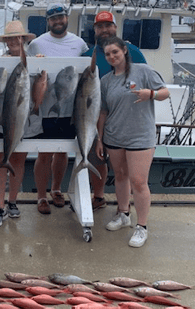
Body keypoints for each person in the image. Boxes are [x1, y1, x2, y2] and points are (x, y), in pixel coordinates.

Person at [96, 37, 169, 247]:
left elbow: (165, 93)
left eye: (115, 52)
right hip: (114, 136)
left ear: (124, 51)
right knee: (120, 175)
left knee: (138, 181)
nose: (111, 57)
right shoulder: (106, 80)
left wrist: (151, 93)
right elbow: (103, 111)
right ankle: (123, 213)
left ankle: (142, 226)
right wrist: (100, 139)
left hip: (140, 136)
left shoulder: (144, 70)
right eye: (108, 54)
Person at [82, 11, 147, 212]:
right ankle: (99, 196)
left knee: (125, 169)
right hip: (95, 118)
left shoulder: (134, 53)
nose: (104, 30)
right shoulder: (86, 56)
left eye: (108, 25)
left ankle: (125, 208)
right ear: (94, 30)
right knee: (98, 160)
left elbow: (145, 83)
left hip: (125, 120)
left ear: (115, 28)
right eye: (100, 27)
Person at [27, 3, 88, 215]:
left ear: (67, 18)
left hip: (71, 109)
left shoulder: (79, 44)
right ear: (48, 21)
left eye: (61, 17)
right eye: (54, 19)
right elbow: (30, 73)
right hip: (45, 109)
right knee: (44, 154)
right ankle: (41, 196)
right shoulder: (36, 44)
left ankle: (56, 189)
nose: (58, 21)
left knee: (63, 153)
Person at [0, 21, 43, 227]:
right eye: (9, 38)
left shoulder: (36, 63)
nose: (13, 41)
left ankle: (12, 202)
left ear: (24, 40)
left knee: (18, 161)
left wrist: (41, 66)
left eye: (17, 37)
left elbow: (42, 91)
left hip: (25, 121)